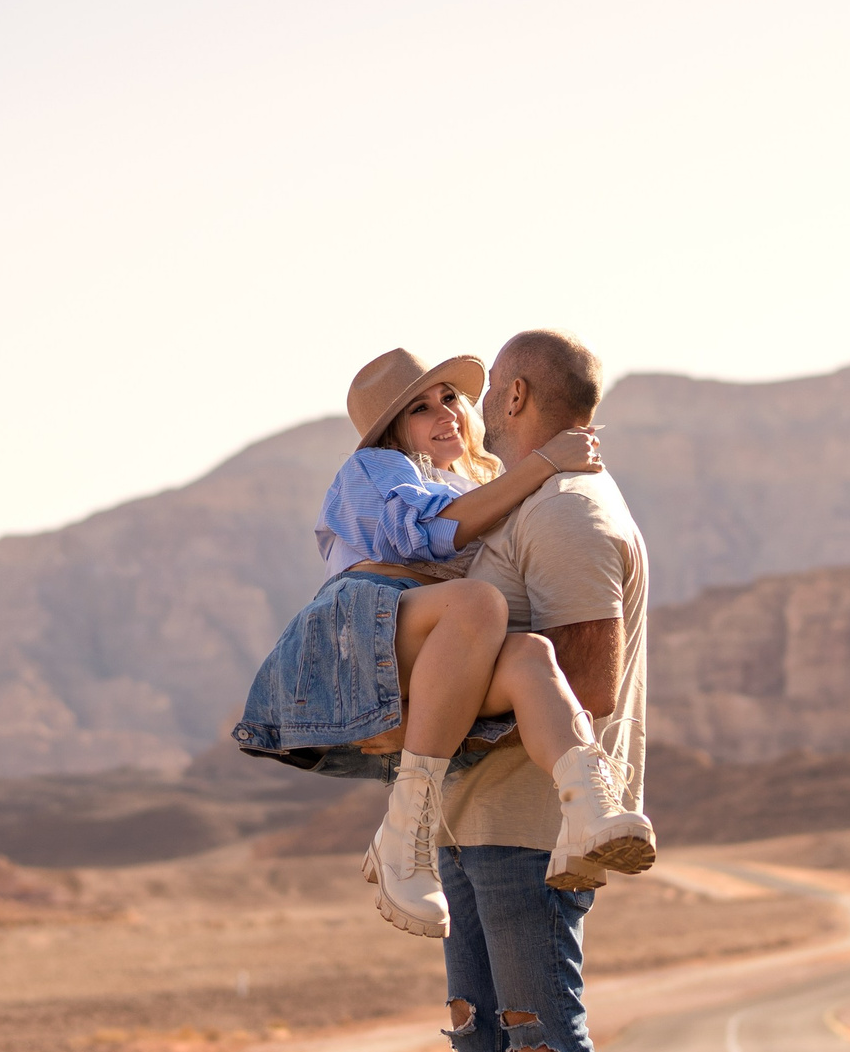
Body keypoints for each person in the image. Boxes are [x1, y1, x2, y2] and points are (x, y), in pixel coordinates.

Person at [367, 329, 647, 1052]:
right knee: (485, 1048)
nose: (474, 411)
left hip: (532, 829)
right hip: (471, 818)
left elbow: (589, 684)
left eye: (488, 393)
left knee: (546, 1041)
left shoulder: (568, 510)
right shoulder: (521, 503)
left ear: (518, 394)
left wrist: (433, 697)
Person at [231, 348, 657, 940]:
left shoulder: (474, 483)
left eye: (450, 398)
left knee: (533, 658)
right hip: (357, 632)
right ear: (392, 432)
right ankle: (405, 834)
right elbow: (426, 533)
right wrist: (543, 464)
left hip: (435, 645)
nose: (446, 414)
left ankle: (587, 809)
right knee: (481, 603)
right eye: (420, 409)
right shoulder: (376, 468)